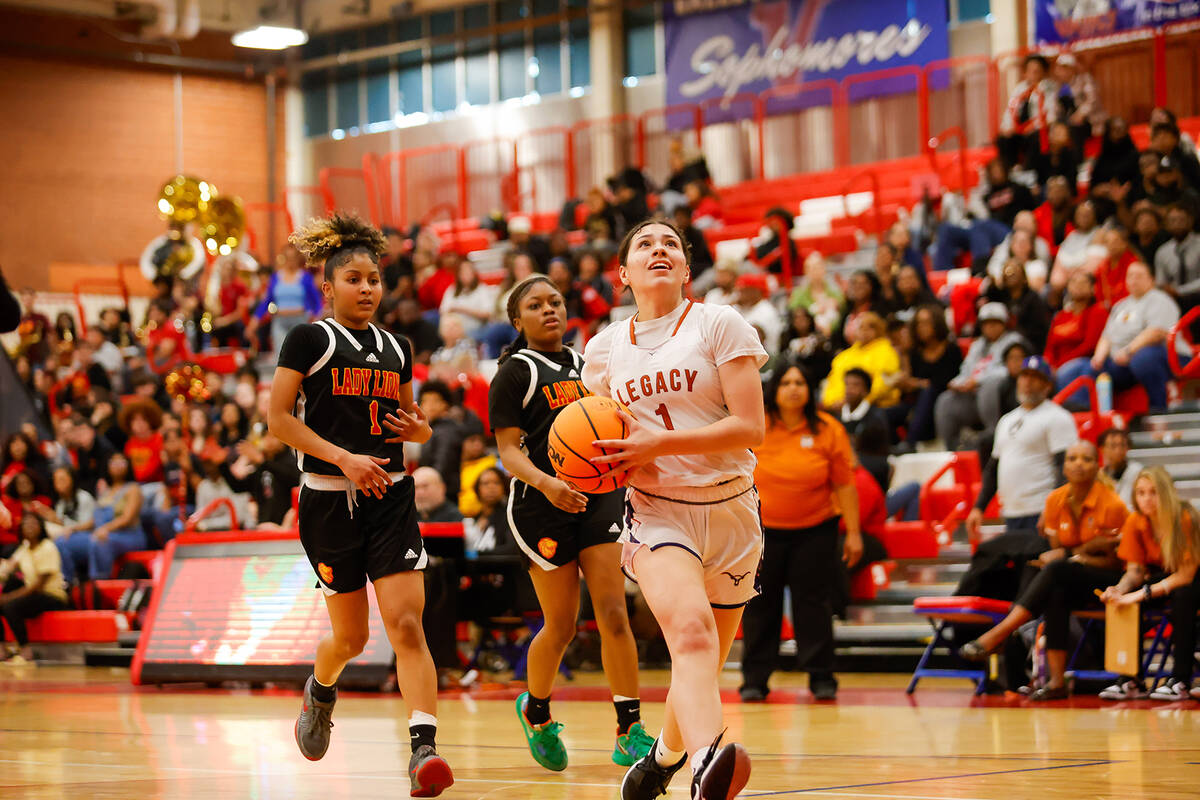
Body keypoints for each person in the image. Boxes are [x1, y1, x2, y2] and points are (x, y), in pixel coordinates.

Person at [266, 214, 453, 795]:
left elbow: (411, 423)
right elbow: (277, 423)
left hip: (390, 498)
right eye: (354, 278)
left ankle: (423, 751)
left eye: (374, 278)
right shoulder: (308, 339)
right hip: (327, 502)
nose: (368, 288)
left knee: (406, 625)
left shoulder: (397, 346)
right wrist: (344, 458)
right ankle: (321, 690)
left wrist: (419, 433)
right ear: (328, 286)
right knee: (348, 639)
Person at [581, 219, 767, 800]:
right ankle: (707, 764)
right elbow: (596, 442)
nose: (659, 250)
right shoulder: (604, 348)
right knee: (689, 636)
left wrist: (658, 443)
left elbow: (750, 426)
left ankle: (663, 759)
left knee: (701, 665)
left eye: (671, 245)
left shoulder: (719, 323)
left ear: (686, 269)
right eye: (644, 244)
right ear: (623, 274)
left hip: (733, 509)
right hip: (658, 511)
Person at [488, 275, 653, 773]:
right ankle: (535, 711)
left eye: (555, 301)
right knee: (560, 625)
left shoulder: (589, 365)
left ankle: (629, 729)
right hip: (540, 505)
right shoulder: (515, 372)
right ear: (518, 321)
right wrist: (547, 483)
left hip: (598, 498)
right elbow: (507, 455)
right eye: (535, 305)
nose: (549, 310)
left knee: (612, 612)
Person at [957, 441, 1126, 698]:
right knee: (1056, 590)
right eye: (1072, 458)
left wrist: (1075, 555)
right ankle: (1056, 682)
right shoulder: (1055, 500)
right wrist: (1084, 552)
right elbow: (1058, 552)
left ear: (1097, 465)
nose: (1078, 464)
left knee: (1058, 570)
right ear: (1064, 467)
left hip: (1111, 580)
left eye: (1086, 459)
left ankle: (1000, 633)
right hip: (1072, 576)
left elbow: (1117, 562)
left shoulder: (1113, 505)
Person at [740, 360, 860, 703]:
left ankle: (821, 677)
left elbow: (845, 484)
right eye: (786, 382)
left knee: (815, 605)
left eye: (800, 383)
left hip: (816, 529)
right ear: (774, 390)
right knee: (760, 606)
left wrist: (853, 533)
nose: (793, 388)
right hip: (762, 530)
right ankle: (755, 679)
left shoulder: (828, 429)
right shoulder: (755, 426)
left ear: (810, 391)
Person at [960, 357, 1077, 600]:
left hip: (1040, 514)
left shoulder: (1058, 418)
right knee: (1015, 584)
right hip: (1012, 513)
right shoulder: (1007, 420)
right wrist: (979, 506)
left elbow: (1065, 469)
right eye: (1024, 376)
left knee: (1034, 583)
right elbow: (993, 468)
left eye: (1035, 378)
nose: (1027, 383)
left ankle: (1034, 633)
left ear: (1047, 385)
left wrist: (1052, 509)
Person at [1098, 467, 1200, 702]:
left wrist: (1142, 593)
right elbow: (1134, 571)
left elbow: (1185, 575)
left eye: (1153, 492)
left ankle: (1181, 679)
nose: (1147, 499)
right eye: (1141, 492)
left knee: (1183, 596)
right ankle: (1131, 679)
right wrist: (1120, 590)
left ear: (1166, 494)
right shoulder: (1135, 520)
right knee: (1126, 600)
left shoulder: (1185, 517)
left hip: (1193, 577)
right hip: (1168, 577)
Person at [1056, 261, 1183, 412]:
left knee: (1144, 358)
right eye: (1130, 276)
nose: (1134, 280)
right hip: (1122, 361)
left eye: (1139, 276)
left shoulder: (1160, 300)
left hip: (1163, 356)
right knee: (1075, 370)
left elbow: (1156, 333)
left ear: (1151, 279)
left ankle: (1158, 409)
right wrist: (1098, 357)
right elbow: (1106, 336)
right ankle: (1087, 414)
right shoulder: (1121, 305)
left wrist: (1129, 350)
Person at [934, 302, 1027, 451]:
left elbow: (1007, 369)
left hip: (1001, 394)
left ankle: (994, 433)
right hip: (972, 396)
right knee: (945, 400)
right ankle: (951, 448)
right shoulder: (977, 345)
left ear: (1004, 323)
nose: (990, 327)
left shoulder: (1014, 341)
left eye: (995, 322)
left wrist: (977, 381)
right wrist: (958, 383)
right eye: (986, 323)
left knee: (989, 385)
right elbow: (966, 369)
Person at [59, 453, 146, 583]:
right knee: (62, 541)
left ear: (128, 466)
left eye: (121, 462)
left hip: (128, 535)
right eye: (113, 462)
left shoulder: (133, 488)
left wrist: (106, 528)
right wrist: (74, 528)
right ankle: (68, 582)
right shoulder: (105, 491)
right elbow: (95, 520)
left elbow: (127, 518)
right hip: (101, 533)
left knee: (98, 542)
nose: (117, 466)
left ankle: (100, 584)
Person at [892, 305, 962, 454]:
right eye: (918, 323)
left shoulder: (951, 349)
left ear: (937, 323)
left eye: (926, 322)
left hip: (943, 400)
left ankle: (910, 443)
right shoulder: (915, 352)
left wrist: (919, 384)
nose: (921, 327)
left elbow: (946, 381)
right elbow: (910, 379)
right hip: (917, 402)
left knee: (929, 391)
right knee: (885, 413)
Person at [0, 515, 69, 664]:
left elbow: (38, 585)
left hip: (52, 596)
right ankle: (1, 649)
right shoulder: (24, 548)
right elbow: (7, 568)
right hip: (34, 595)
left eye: (33, 523)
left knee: (10, 606)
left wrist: (9, 597)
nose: (29, 526)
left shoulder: (47, 547)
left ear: (41, 527)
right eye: (25, 523)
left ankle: (26, 651)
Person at [822, 312, 900, 410]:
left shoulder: (886, 351)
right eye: (861, 327)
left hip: (875, 407)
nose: (864, 331)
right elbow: (832, 382)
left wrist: (856, 402)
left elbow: (883, 385)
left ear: (879, 329)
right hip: (841, 407)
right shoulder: (844, 356)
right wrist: (831, 402)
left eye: (870, 327)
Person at [255, 246, 323, 359]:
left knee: (300, 355)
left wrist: (316, 318)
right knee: (281, 355)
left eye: (293, 258)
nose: (290, 261)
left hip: (300, 320)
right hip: (280, 321)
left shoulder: (305, 277)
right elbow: (267, 300)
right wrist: (255, 320)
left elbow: (316, 301)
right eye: (288, 258)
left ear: (297, 259)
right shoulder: (276, 277)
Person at [837, 368, 891, 493]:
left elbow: (878, 456)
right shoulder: (837, 418)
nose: (849, 389)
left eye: (855, 385)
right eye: (847, 384)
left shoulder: (877, 417)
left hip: (871, 475)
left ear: (866, 390)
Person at [1045, 271, 1107, 371]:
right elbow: (1049, 348)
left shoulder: (1097, 311)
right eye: (1074, 282)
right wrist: (1048, 366)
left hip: (1081, 363)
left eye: (1083, 283)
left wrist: (1060, 365)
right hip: (1056, 366)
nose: (1078, 285)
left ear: (1092, 288)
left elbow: (1089, 346)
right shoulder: (1061, 316)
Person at [416, 381, 465, 500]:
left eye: (435, 401)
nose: (429, 406)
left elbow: (442, 465)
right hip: (434, 490)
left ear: (445, 404)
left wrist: (425, 485)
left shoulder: (447, 430)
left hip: (443, 495)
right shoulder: (432, 428)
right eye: (425, 401)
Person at [788, 252, 844, 338]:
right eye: (811, 268)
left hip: (835, 335)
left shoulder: (835, 292)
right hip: (807, 336)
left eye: (818, 267)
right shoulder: (798, 294)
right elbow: (793, 315)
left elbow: (842, 314)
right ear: (805, 271)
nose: (815, 272)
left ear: (824, 268)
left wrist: (830, 327)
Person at [1155, 204, 1200, 304]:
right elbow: (1160, 283)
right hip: (1173, 303)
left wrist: (1179, 291)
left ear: (1190, 221)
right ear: (1166, 224)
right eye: (1173, 220)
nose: (1177, 224)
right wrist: (1167, 290)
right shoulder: (1162, 252)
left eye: (1181, 220)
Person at [1098, 427, 1143, 510]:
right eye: (1113, 446)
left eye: (1122, 445)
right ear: (1102, 449)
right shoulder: (1098, 475)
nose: (1118, 450)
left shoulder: (1137, 471)